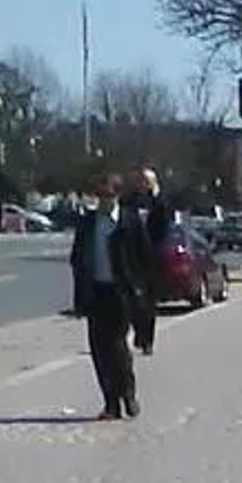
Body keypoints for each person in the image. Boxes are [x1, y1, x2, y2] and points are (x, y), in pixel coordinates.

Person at [69, 175, 156, 421]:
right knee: (99, 350)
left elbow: (145, 256)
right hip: (96, 292)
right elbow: (77, 258)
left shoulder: (129, 222)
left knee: (118, 347)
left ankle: (128, 395)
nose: (104, 201)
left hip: (121, 293)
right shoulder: (89, 223)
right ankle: (110, 403)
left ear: (117, 196)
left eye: (108, 196)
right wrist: (80, 292)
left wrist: (142, 289)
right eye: (100, 196)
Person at [129, 168, 171, 356]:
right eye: (141, 180)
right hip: (133, 255)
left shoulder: (159, 202)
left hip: (152, 256)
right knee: (133, 300)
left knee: (149, 301)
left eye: (146, 181)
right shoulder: (132, 201)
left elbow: (164, 225)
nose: (142, 184)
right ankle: (139, 333)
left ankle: (147, 341)